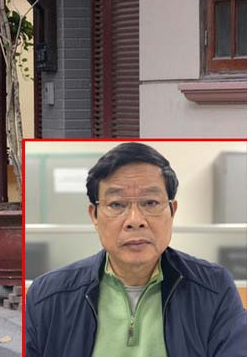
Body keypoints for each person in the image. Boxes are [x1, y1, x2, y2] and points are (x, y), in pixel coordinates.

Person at [25, 142, 246, 357]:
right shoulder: (47, 296)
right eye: (116, 204)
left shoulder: (215, 289)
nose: (135, 220)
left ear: (172, 211)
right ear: (94, 215)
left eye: (150, 203)